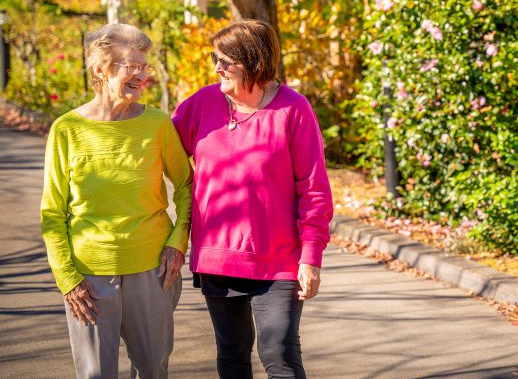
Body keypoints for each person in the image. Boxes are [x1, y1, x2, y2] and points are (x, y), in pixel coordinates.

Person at [172, 19, 333, 379]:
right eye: (216, 58)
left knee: (280, 355)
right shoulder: (202, 103)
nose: (217, 68)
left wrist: (311, 258)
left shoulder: (293, 110)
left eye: (225, 61)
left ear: (254, 61)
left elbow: (314, 189)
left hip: (278, 261)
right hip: (217, 258)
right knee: (231, 356)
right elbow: (160, 148)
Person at [41, 23, 193, 379]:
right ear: (100, 69)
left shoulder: (157, 124)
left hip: (153, 268)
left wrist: (178, 242)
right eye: (132, 66)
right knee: (96, 374)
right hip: (89, 275)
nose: (142, 76)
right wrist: (66, 277)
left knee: (154, 369)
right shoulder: (67, 130)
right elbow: (52, 211)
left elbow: (186, 184)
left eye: (145, 66)